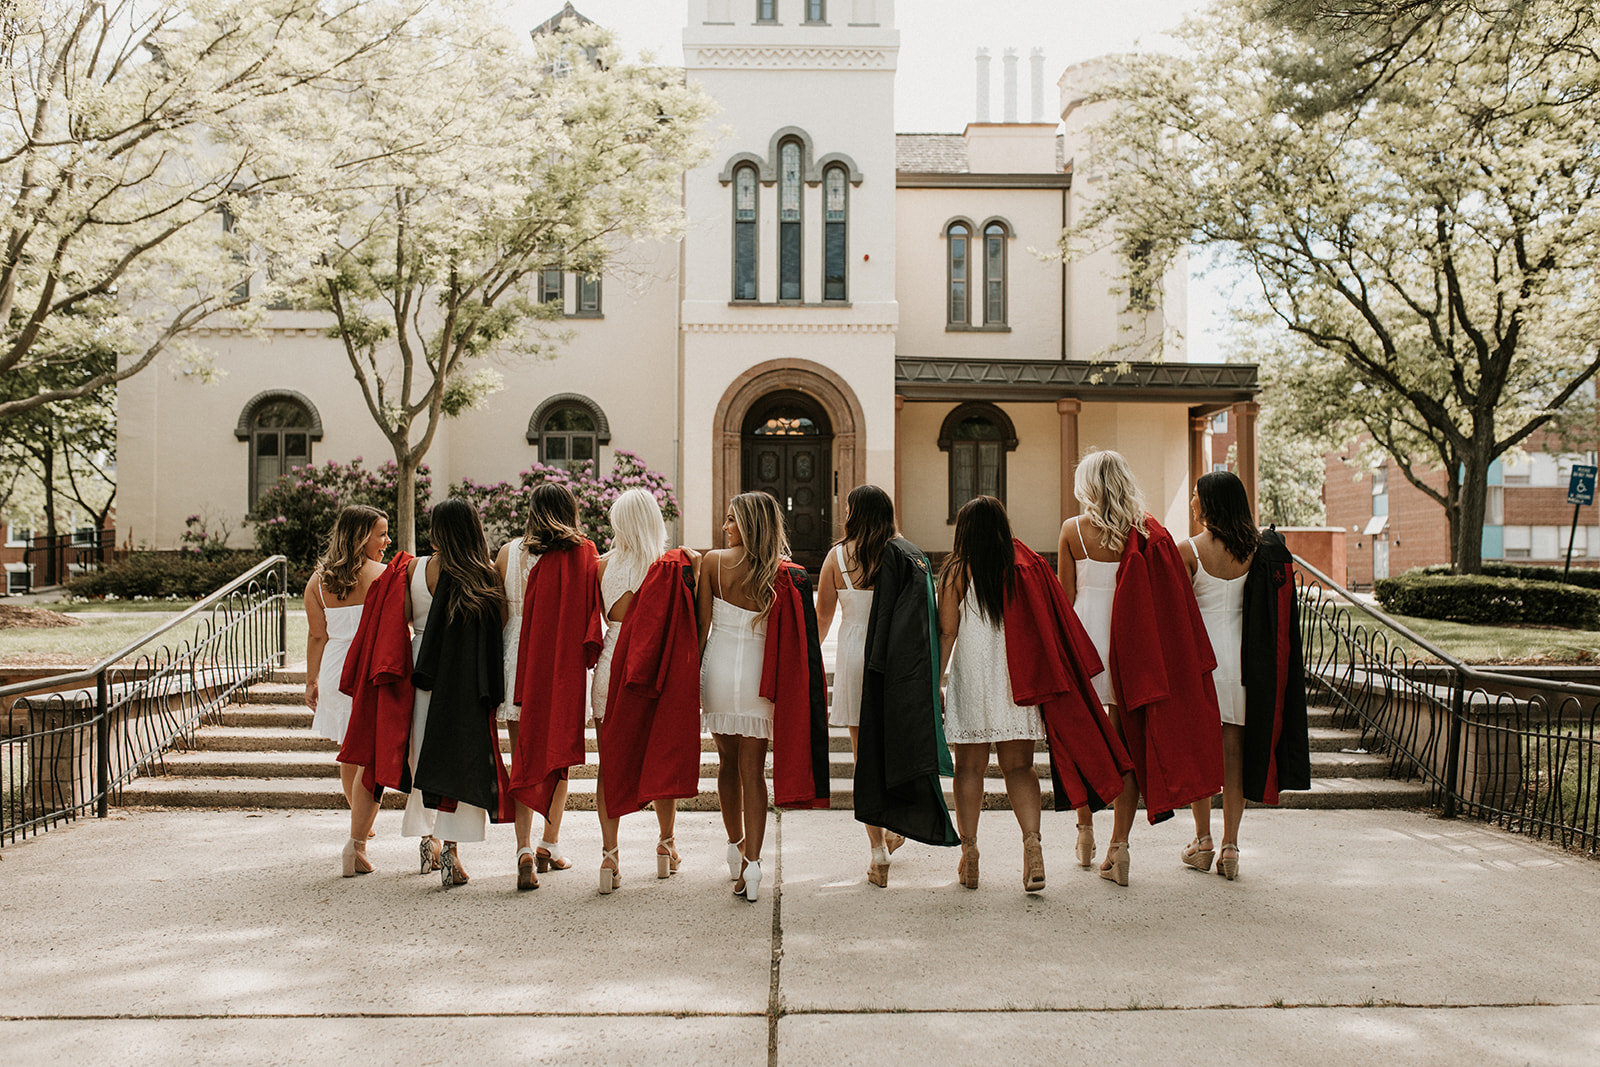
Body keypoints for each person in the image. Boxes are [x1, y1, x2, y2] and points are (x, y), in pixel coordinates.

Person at [1059, 450, 1223, 887]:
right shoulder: (1149, 532)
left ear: (1087, 485)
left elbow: (1064, 598)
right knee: (1126, 746)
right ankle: (1119, 847)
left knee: (1084, 741)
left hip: (1087, 642)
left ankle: (1085, 829)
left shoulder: (1073, 530)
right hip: (1131, 645)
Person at [1180, 471, 1312, 880]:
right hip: (1244, 664)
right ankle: (1231, 846)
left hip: (1203, 664)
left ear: (1211, 502)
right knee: (1234, 756)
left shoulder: (1188, 550)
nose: (1192, 502)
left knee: (1200, 754)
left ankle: (1202, 839)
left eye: (1196, 495)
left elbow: (1176, 612)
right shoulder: (1259, 550)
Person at [698, 491, 827, 903]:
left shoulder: (712, 563)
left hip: (718, 670)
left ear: (750, 523)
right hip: (759, 676)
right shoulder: (782, 573)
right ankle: (753, 866)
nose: (725, 527)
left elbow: (700, 631)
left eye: (732, 519)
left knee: (727, 763)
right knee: (753, 771)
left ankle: (734, 848)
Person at [937, 496, 1048, 893]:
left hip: (973, 678)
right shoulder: (1021, 569)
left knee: (969, 768)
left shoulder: (956, 571)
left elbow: (947, 632)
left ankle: (969, 854)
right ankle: (1033, 848)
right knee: (1020, 767)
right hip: (1014, 678)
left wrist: (935, 682)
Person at [592, 488, 701, 893]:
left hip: (610, 668)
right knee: (661, 755)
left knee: (609, 764)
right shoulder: (669, 565)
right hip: (654, 667)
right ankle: (665, 844)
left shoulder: (601, 566)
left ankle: (609, 856)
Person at [402, 499, 515, 888]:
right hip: (465, 677)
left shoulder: (417, 568)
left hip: (422, 669)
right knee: (460, 761)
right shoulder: (483, 574)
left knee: (423, 756)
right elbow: (499, 627)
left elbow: (404, 619)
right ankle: (451, 850)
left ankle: (426, 841)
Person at [816, 485, 912, 886]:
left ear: (855, 513)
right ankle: (894, 827)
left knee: (863, 759)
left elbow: (822, 619)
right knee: (892, 753)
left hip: (854, 655)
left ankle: (877, 850)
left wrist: (808, 664)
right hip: (893, 657)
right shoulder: (901, 554)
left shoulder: (836, 557)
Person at [508, 483, 602, 892]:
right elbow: (593, 608)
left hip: (519, 658)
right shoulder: (585, 552)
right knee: (556, 756)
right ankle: (549, 842)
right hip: (562, 664)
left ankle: (523, 849)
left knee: (523, 756)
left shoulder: (512, 552)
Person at [304, 504, 387, 876]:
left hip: (335, 669)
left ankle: (359, 822)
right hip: (368, 668)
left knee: (348, 753)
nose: (387, 541)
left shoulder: (317, 582)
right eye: (381, 534)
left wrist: (311, 680)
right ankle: (359, 836)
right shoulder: (382, 575)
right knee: (371, 756)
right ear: (361, 537)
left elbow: (317, 636)